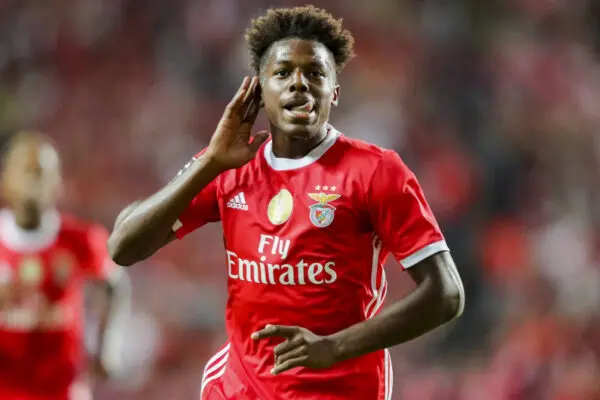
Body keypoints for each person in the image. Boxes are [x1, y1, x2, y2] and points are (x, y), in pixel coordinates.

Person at [108, 6, 465, 400]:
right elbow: (123, 247)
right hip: (239, 390)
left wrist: (334, 347)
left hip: (341, 391)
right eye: (282, 73)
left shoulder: (375, 171)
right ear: (259, 91)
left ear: (334, 91)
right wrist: (209, 163)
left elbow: (445, 294)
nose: (299, 84)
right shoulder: (229, 166)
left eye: (315, 73)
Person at [0, 132, 129, 400]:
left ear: (57, 184)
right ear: (5, 180)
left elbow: (115, 284)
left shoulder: (81, 240)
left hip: (62, 389)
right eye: (25, 172)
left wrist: (108, 345)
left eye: (41, 174)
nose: (33, 182)